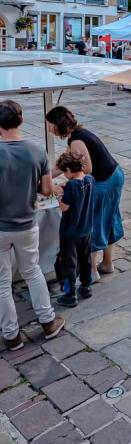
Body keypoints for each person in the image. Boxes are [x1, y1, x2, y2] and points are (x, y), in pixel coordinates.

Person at [0, 101, 65, 349]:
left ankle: (11, 336)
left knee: (2, 281)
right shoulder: (36, 150)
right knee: (32, 271)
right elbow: (48, 189)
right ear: (22, 120)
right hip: (26, 224)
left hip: (0, 227)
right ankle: (48, 321)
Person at [46, 105, 125, 283]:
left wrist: (69, 184)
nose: (49, 128)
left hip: (105, 181)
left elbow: (86, 169)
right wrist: (44, 177)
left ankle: (91, 272)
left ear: (58, 124)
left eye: (50, 125)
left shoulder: (76, 140)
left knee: (95, 222)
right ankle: (107, 264)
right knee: (108, 219)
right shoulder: (79, 133)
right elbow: (63, 164)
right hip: (114, 175)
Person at [55, 151, 94, 307]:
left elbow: (64, 207)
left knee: (68, 264)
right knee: (85, 260)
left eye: (65, 172)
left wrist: (57, 195)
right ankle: (86, 286)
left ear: (69, 171)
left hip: (70, 232)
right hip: (86, 229)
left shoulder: (71, 185)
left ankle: (69, 293)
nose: (65, 175)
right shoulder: (90, 179)